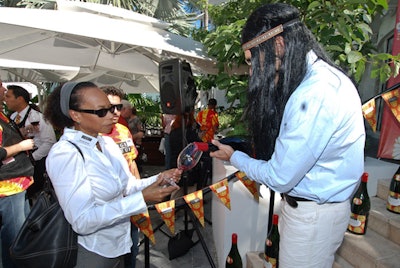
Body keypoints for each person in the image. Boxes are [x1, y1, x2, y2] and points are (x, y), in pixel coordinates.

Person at [210, 3, 365, 268]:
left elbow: (280, 176)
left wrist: (235, 157)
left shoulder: (315, 94)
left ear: (278, 45)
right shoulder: (317, 82)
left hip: (313, 220)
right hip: (312, 214)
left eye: (252, 60)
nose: (252, 72)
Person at [44, 81, 182, 267]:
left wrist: (160, 178)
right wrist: (141, 198)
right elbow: (82, 221)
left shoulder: (107, 143)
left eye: (113, 108)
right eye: (102, 111)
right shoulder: (65, 153)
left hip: (120, 242)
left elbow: (127, 186)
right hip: (92, 250)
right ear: (75, 115)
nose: (113, 115)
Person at [100, 86, 140, 267]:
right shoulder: (93, 135)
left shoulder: (123, 130)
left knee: (132, 249)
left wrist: (140, 193)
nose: (115, 112)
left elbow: (132, 163)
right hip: (105, 208)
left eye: (118, 107)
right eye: (110, 107)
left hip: (129, 202)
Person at [0, 83, 35, 268]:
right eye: (0, 85)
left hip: (18, 182)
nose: (4, 90)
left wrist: (18, 135)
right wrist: (21, 146)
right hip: (8, 186)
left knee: (21, 233)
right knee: (14, 237)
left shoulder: (3, 115)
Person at [4, 85, 57, 203]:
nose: (5, 99)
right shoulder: (12, 117)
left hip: (36, 163)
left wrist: (32, 158)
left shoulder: (39, 117)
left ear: (20, 99)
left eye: (8, 96)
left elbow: (49, 142)